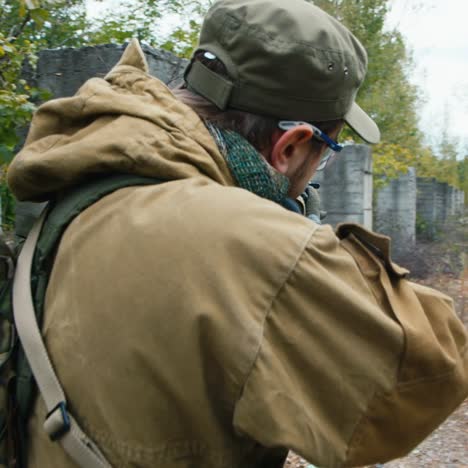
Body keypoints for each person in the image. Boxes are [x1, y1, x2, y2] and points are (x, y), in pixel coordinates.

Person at [7, 0, 468, 467]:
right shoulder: (246, 243)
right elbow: (431, 373)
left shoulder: (85, 178)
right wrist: (300, 236)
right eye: (324, 153)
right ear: (290, 146)